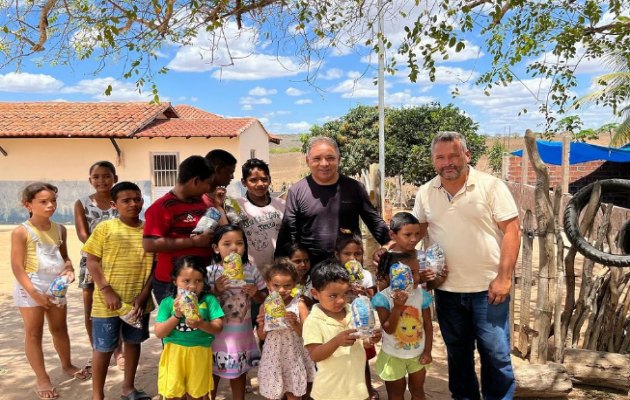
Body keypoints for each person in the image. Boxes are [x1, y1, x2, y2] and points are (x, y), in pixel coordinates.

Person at [412, 131, 520, 399]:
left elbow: (512, 231)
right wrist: (389, 253)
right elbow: (413, 234)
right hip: (446, 290)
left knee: (495, 354)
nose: (447, 162)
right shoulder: (426, 193)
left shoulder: (491, 186)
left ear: (467, 156)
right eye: (440, 157)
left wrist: (504, 278)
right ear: (433, 161)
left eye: (453, 156)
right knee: (458, 355)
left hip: (489, 289)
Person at [11, 182, 91, 400]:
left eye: (53, 200)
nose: (50, 205)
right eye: (43, 202)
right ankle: (42, 378)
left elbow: (64, 256)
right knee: (34, 333)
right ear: (28, 204)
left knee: (59, 328)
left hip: (56, 285)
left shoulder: (60, 229)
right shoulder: (21, 232)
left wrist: (69, 268)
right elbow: (17, 267)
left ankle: (67, 365)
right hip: (31, 285)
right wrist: (35, 294)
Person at [83, 182, 154, 400]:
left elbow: (156, 266)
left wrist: (143, 297)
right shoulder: (105, 229)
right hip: (107, 303)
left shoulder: (150, 231)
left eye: (138, 199)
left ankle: (128, 388)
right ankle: (98, 395)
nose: (134, 204)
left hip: (138, 303)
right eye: (126, 200)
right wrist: (106, 290)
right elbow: (92, 261)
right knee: (103, 348)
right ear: (114, 204)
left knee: (133, 343)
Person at [276, 136, 391, 269]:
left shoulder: (354, 188)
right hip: (310, 270)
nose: (324, 164)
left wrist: (389, 245)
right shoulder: (297, 191)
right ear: (307, 161)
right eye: (317, 158)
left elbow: (374, 221)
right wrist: (280, 265)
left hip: (349, 267)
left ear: (339, 159)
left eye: (330, 158)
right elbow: (288, 231)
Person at [303, 259, 382, 400]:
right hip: (329, 393)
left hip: (357, 390)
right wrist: (336, 341)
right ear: (315, 293)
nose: (340, 300)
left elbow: (363, 345)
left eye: (345, 293)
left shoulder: (353, 312)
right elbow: (314, 355)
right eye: (333, 296)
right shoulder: (313, 321)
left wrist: (371, 339)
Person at [143, 155, 215, 305]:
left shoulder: (203, 202)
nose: (208, 188)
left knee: (199, 326)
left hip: (202, 280)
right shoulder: (162, 207)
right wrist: (193, 242)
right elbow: (150, 244)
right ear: (195, 181)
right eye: (207, 184)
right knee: (176, 326)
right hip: (172, 283)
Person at [206, 225, 267, 400]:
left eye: (239, 243)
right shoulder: (210, 272)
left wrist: (256, 293)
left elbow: (262, 298)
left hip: (241, 335)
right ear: (216, 248)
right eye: (227, 244)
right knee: (213, 371)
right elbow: (202, 301)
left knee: (239, 372)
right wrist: (215, 291)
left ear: (245, 247)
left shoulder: (250, 270)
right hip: (215, 334)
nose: (234, 248)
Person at [73, 161, 123, 371]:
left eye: (106, 175)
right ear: (90, 180)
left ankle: (119, 351)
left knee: (117, 305)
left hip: (118, 262)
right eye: (96, 176)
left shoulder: (121, 200)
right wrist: (100, 252)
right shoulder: (82, 203)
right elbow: (82, 233)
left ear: (115, 178)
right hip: (91, 261)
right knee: (90, 308)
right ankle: (98, 350)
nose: (101, 180)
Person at [155, 255, 225, 400]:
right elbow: (159, 333)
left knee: (198, 394)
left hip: (199, 353)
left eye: (198, 281)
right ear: (175, 281)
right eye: (186, 281)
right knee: (173, 393)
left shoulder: (209, 300)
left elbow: (218, 328)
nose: (192, 286)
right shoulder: (168, 303)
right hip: (174, 353)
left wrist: (201, 324)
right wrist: (176, 315)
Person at [372, 251, 434, 400]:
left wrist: (427, 351)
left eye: (416, 272)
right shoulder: (383, 299)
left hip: (418, 355)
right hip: (393, 355)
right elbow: (388, 328)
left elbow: (427, 324)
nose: (415, 278)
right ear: (391, 276)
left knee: (417, 391)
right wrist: (397, 307)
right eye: (409, 273)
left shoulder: (421, 295)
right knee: (396, 394)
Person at [255, 258, 315, 400]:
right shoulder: (265, 306)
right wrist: (262, 325)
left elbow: (307, 334)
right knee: (273, 392)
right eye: (276, 285)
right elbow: (262, 337)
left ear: (294, 283)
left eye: (287, 285)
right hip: (273, 356)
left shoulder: (298, 304)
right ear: (268, 284)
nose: (282, 290)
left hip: (293, 355)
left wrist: (295, 323)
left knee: (294, 393)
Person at [333, 230, 378, 399]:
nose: (353, 258)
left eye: (357, 254)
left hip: (362, 323)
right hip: (340, 322)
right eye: (347, 254)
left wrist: (364, 292)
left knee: (362, 359)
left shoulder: (366, 276)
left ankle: (367, 389)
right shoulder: (334, 275)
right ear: (337, 255)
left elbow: (373, 299)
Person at [237, 158, 285, 268]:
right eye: (253, 180)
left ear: (270, 179)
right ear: (244, 182)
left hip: (280, 271)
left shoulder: (282, 205)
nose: (260, 184)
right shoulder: (238, 206)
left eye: (264, 179)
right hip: (251, 272)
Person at [388, 212, 448, 290]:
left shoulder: (423, 257)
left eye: (417, 234)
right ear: (392, 235)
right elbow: (384, 290)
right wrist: (417, 279)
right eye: (408, 235)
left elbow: (426, 287)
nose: (414, 239)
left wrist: (439, 279)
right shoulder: (387, 259)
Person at [283, 242, 314, 309]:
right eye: (297, 261)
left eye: (306, 260)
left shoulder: (314, 281)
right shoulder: (281, 282)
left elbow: (321, 306)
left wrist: (309, 302)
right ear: (286, 262)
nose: (303, 264)